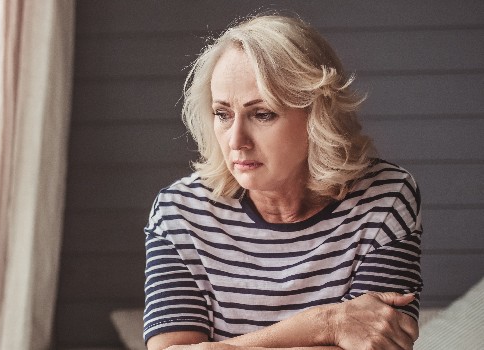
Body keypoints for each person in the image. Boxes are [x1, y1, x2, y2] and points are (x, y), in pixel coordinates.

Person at [143, 14, 423, 350]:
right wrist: (326, 322)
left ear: (317, 115)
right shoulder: (179, 213)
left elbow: (376, 343)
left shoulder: (385, 197)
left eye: (262, 114)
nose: (236, 140)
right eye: (223, 114)